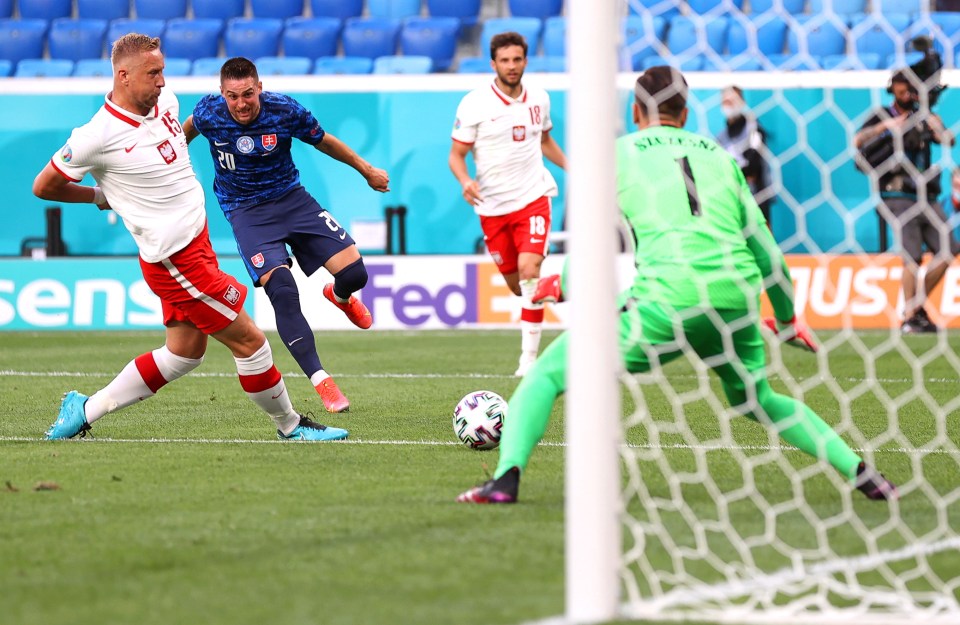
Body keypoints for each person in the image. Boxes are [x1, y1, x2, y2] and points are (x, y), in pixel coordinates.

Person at [457, 66, 898, 504]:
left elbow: (592, 238)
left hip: (670, 298)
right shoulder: (720, 155)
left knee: (547, 374)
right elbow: (768, 254)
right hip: (736, 298)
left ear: (635, 112)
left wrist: (566, 283)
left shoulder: (618, 153)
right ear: (685, 113)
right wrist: (786, 318)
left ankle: (505, 481)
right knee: (758, 398)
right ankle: (862, 473)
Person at [32, 34, 346, 442]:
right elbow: (45, 185)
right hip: (176, 262)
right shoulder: (96, 136)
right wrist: (98, 196)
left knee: (182, 354)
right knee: (250, 341)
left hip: (197, 243)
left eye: (163, 70)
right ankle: (291, 426)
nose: (163, 81)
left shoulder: (167, 103)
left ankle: (84, 408)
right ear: (123, 76)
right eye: (154, 73)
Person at [183, 57, 389, 414]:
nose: (241, 103)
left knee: (355, 274)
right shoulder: (208, 112)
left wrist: (366, 171)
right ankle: (322, 381)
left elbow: (323, 141)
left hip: (293, 200)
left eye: (248, 94)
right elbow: (182, 134)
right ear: (222, 94)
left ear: (259, 87)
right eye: (233, 96)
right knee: (283, 291)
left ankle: (339, 297)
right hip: (246, 212)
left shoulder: (284, 110)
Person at [448, 31, 567, 377]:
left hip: (533, 197)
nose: (511, 66)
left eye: (517, 59)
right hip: (493, 208)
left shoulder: (540, 99)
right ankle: (566, 284)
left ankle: (528, 362)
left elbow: (545, 141)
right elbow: (456, 155)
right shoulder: (474, 103)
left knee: (530, 274)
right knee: (520, 287)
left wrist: (576, 167)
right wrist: (465, 180)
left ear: (525, 61)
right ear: (493, 63)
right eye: (505, 60)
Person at [854, 67, 957, 334]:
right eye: (902, 86)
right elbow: (857, 140)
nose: (906, 91)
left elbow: (948, 140)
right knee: (912, 256)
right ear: (893, 88)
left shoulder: (923, 115)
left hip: (925, 193)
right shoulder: (882, 115)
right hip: (897, 193)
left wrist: (934, 124)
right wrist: (886, 128)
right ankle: (911, 316)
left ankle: (914, 309)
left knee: (948, 250)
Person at [716, 85, 773, 226]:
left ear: (742, 102)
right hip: (731, 197)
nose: (728, 105)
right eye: (725, 102)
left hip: (756, 197)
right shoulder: (720, 137)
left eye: (732, 101)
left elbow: (754, 165)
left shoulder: (754, 129)